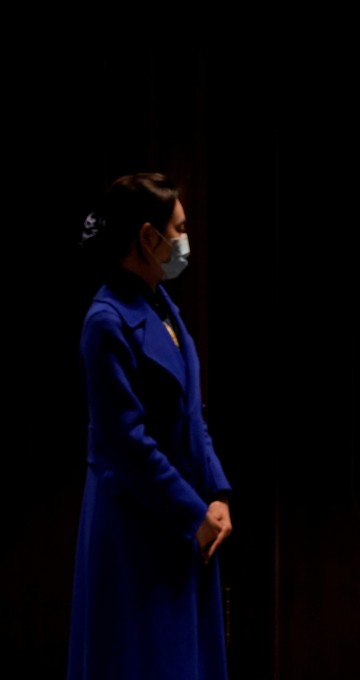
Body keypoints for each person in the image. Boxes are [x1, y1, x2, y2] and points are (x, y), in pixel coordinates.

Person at [68, 173, 233, 679]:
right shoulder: (106, 320)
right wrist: (193, 514)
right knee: (142, 660)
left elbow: (192, 414)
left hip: (185, 519)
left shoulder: (162, 306)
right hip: (136, 527)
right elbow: (128, 445)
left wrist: (218, 494)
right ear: (147, 236)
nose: (185, 240)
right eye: (178, 229)